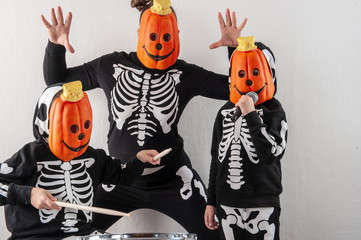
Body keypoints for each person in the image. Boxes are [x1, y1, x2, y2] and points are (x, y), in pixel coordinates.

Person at [40, 1, 246, 239]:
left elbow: (237, 90)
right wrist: (55, 46)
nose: (159, 43)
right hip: (118, 179)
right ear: (140, 33)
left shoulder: (185, 74)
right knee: (74, 230)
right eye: (152, 35)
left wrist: (235, 50)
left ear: (176, 35)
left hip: (174, 179)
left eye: (167, 36)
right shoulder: (110, 66)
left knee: (214, 233)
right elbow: (57, 81)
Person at [0, 81, 160, 240]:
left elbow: (123, 176)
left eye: (84, 124)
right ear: (46, 121)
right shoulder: (30, 156)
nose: (80, 135)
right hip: (35, 237)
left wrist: (138, 160)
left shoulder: (93, 157)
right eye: (71, 127)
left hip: (83, 234)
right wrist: (29, 194)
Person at [204, 36, 288, 240]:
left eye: (256, 73)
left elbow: (271, 154)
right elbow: (216, 159)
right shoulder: (225, 112)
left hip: (263, 204)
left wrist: (251, 115)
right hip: (227, 203)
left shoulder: (274, 111)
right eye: (241, 74)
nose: (249, 80)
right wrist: (211, 201)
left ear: (270, 74)